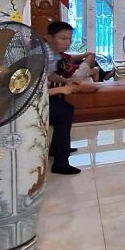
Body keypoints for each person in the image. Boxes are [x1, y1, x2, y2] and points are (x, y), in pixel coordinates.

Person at [45, 21, 83, 175]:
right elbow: (33, 92)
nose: (67, 43)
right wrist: (62, 89)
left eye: (69, 39)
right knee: (63, 112)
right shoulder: (41, 56)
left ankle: (56, 148)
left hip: (40, 98)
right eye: (63, 38)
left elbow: (49, 75)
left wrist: (64, 81)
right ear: (49, 38)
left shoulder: (53, 54)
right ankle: (60, 163)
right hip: (29, 104)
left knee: (65, 107)